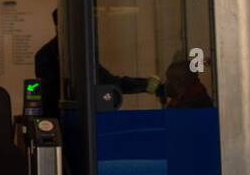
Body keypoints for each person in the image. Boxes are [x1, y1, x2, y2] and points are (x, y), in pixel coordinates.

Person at [34, 9, 162, 116]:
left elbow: (109, 81)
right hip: (64, 120)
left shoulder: (80, 53)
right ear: (58, 26)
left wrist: (146, 85)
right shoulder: (47, 55)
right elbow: (54, 94)